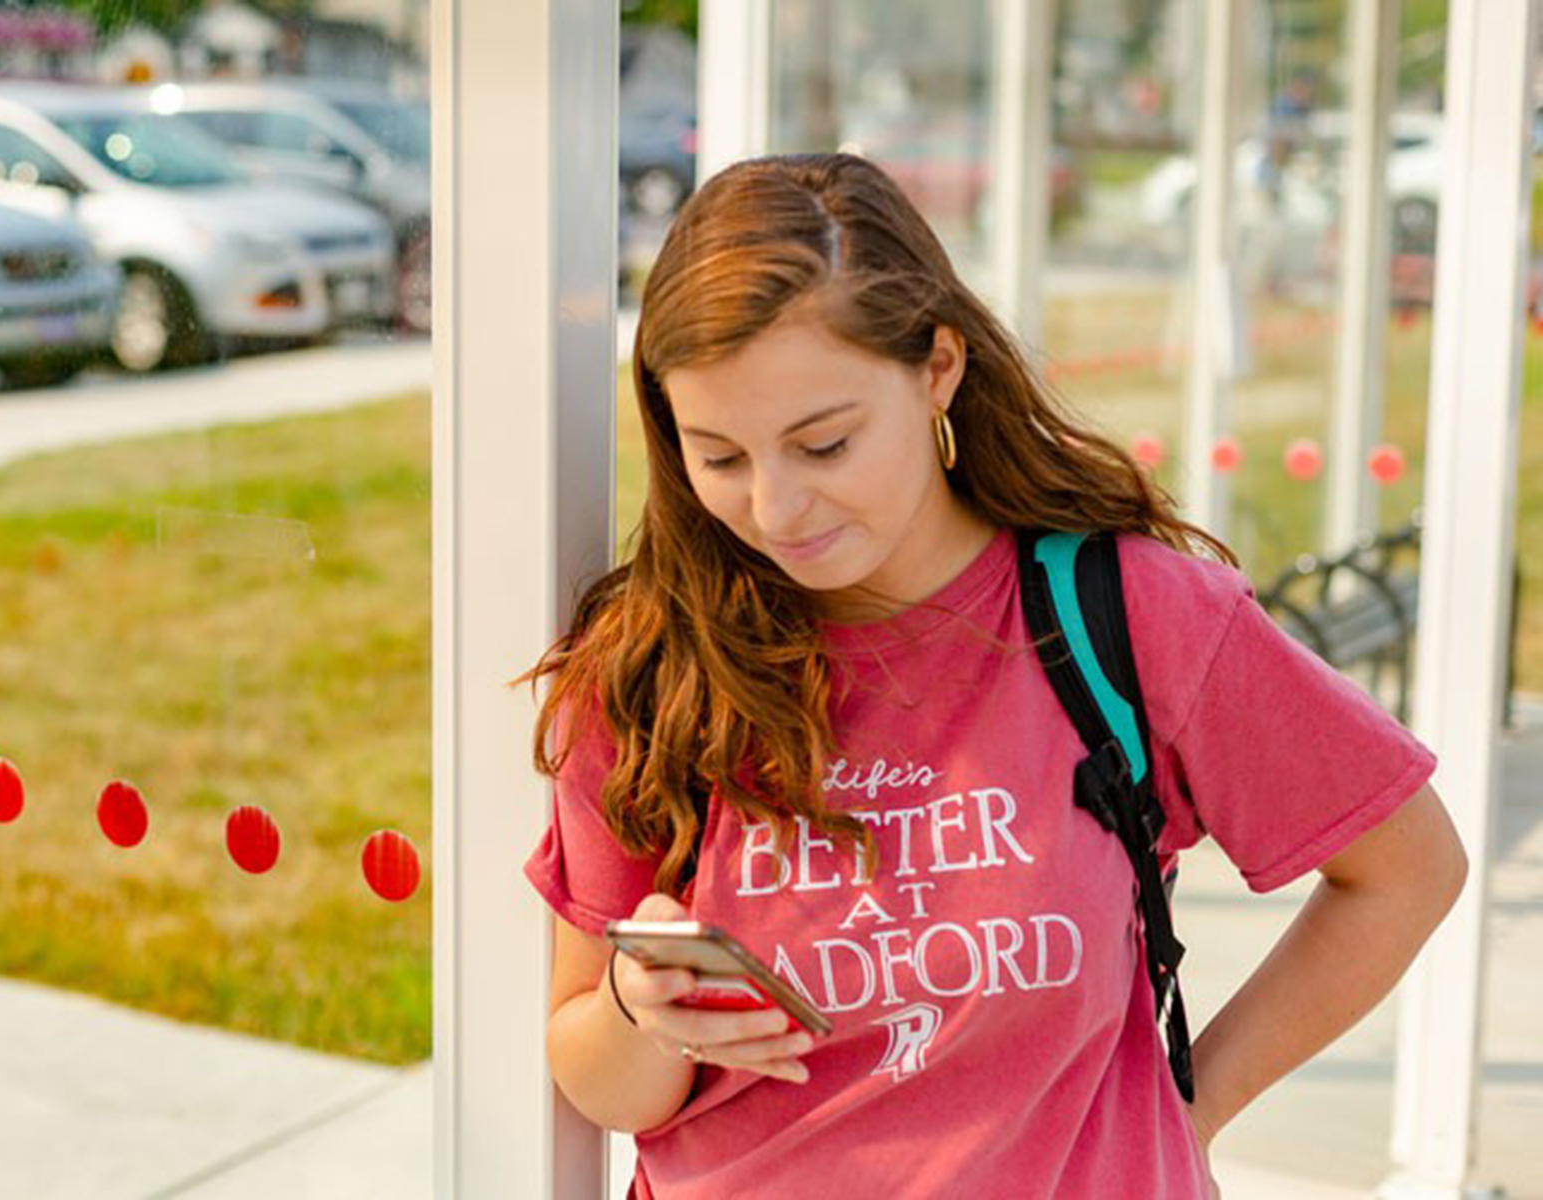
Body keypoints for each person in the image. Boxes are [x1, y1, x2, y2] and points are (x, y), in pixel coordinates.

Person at [521, 153, 1466, 1199]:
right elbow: (607, 1085)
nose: (777, 509)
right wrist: (633, 1009)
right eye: (722, 458)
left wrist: (1184, 1114)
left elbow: (1407, 867)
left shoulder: (1130, 616)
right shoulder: (649, 668)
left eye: (824, 444)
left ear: (938, 367)